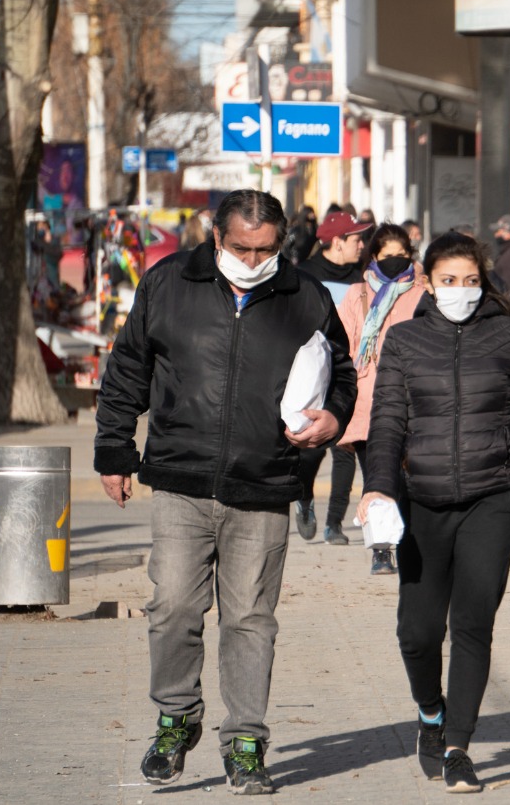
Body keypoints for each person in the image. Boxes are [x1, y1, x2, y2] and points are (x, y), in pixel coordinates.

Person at [94, 189, 357, 795]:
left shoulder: (305, 296)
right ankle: (176, 718)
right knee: (174, 608)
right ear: (216, 238)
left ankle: (245, 741)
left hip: (265, 484)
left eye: (266, 249)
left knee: (250, 620)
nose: (253, 258)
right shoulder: (168, 283)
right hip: (180, 480)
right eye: (241, 247)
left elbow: (340, 372)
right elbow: (128, 367)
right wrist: (114, 449)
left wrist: (334, 417)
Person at [362, 233, 510, 793]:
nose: (461, 291)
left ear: (485, 282)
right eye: (449, 281)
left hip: (491, 499)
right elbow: (387, 424)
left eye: (471, 281)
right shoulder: (403, 341)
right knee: (418, 632)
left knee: (472, 626)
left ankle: (458, 747)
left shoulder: (507, 336)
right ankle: (430, 711)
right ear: (427, 281)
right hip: (421, 502)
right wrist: (378, 487)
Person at [335, 224, 424, 574]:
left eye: (400, 255)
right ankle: (381, 549)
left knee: (408, 480)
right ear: (374, 257)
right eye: (386, 256)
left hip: (412, 400)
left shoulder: (421, 294)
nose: (394, 262)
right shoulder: (356, 294)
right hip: (367, 403)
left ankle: (409, 542)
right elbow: (341, 347)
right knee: (376, 477)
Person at [293, 211, 369, 544]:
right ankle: (305, 497)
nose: (362, 244)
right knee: (310, 451)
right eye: (356, 239)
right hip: (311, 373)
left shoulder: (360, 276)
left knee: (345, 449)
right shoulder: (304, 274)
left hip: (348, 372)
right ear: (337, 242)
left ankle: (334, 523)